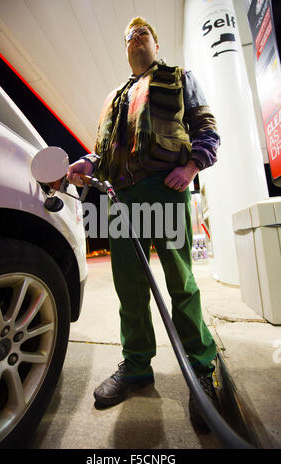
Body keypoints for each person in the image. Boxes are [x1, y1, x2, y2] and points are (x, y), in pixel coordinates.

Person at [67, 17, 220, 431]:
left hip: (165, 187)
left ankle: (202, 369)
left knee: (180, 281)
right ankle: (136, 367)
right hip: (122, 197)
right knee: (129, 288)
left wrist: (191, 168)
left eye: (142, 34)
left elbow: (206, 127)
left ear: (156, 43)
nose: (134, 39)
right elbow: (105, 149)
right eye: (128, 36)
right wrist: (86, 162)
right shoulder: (117, 96)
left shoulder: (179, 77)